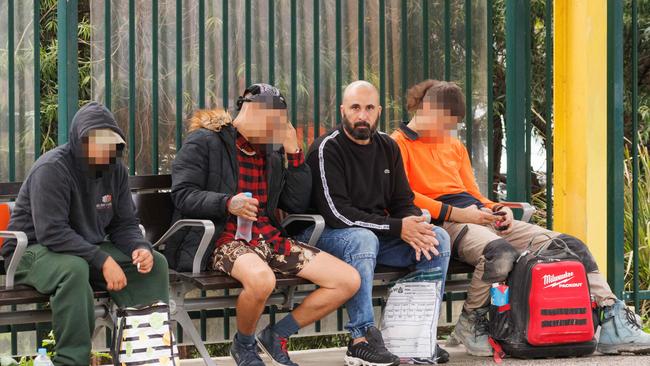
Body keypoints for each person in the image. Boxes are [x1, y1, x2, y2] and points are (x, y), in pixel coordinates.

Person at [391, 79, 650, 356]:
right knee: (499, 253)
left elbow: (472, 193)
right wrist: (461, 214)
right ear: (427, 108)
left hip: (477, 216)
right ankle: (471, 321)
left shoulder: (453, 147)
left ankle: (611, 318)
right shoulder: (397, 144)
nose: (447, 131)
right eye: (445, 123)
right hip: (443, 221)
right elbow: (405, 197)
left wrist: (496, 209)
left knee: (570, 246)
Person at [169, 83, 360, 366]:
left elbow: (294, 204)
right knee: (262, 280)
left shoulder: (270, 152)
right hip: (223, 240)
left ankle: (277, 335)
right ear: (253, 112)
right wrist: (226, 202)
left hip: (268, 239)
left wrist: (294, 153)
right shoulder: (205, 141)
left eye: (280, 122)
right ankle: (244, 345)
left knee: (347, 280)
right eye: (274, 121)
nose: (277, 128)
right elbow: (182, 194)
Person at [0, 102, 170, 365]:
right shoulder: (52, 169)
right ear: (80, 141)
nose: (104, 151)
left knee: (154, 264)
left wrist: (140, 247)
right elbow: (52, 233)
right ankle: (71, 360)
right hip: (30, 251)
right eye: (95, 143)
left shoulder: (116, 171)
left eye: (110, 144)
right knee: (74, 269)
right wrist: (102, 260)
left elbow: (124, 224)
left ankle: (145, 356)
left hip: (82, 250)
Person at [297, 80, 451, 366]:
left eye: (369, 108)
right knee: (361, 238)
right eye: (355, 108)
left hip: (373, 237)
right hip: (325, 238)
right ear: (343, 110)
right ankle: (361, 339)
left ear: (378, 111)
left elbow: (402, 201)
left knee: (437, 238)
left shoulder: (388, 147)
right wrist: (397, 228)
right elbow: (337, 214)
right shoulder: (327, 148)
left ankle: (411, 338)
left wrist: (413, 225)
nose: (362, 115)